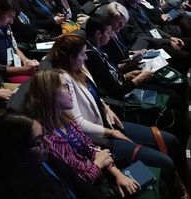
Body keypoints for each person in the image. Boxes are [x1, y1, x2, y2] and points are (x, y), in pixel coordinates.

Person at [51, 33, 179, 184]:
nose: (86, 58)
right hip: (98, 138)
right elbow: (79, 123)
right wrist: (112, 132)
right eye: (83, 54)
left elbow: (96, 95)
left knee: (171, 141)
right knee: (165, 162)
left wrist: (105, 107)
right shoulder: (63, 80)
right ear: (71, 58)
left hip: (107, 123)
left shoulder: (80, 70)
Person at [0, 113, 141, 199]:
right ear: (17, 151)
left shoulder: (46, 160)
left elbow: (85, 190)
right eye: (38, 142)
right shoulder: (14, 198)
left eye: (44, 136)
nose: (46, 144)